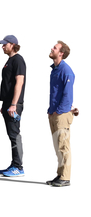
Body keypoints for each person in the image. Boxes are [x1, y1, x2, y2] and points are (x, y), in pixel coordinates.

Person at [0, 35, 26, 177]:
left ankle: (18, 167)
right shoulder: (10, 60)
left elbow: (19, 82)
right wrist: (5, 103)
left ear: (12, 44)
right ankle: (14, 163)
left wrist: (14, 104)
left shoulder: (18, 60)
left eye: (5, 44)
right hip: (8, 103)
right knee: (11, 134)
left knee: (14, 134)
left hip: (15, 104)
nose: (3, 46)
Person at [46, 41, 75, 187]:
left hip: (61, 115)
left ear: (61, 53)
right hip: (54, 114)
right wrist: (51, 111)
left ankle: (66, 177)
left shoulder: (66, 70)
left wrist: (59, 111)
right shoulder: (55, 69)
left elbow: (67, 95)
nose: (52, 49)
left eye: (55, 48)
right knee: (58, 146)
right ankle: (60, 175)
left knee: (63, 146)